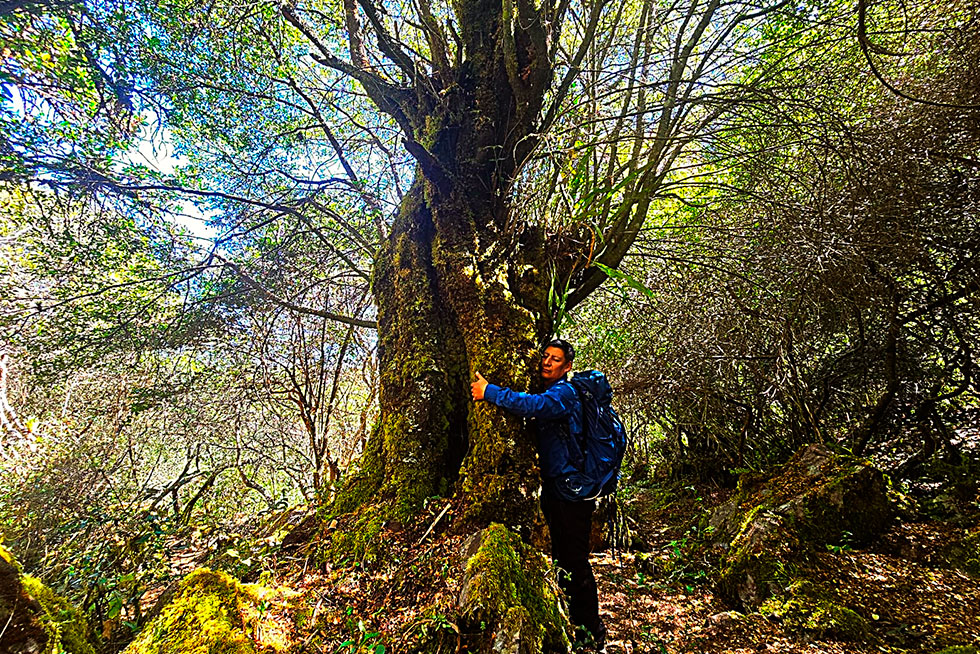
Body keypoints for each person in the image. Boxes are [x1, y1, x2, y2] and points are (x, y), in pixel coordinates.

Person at [471, 339, 607, 650]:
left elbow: (535, 406)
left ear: (567, 366)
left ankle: (591, 630)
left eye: (555, 359)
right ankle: (575, 622)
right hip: (560, 487)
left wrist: (489, 391)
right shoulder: (555, 391)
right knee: (564, 556)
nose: (547, 362)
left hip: (573, 491)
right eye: (545, 356)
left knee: (574, 560)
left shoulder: (565, 394)